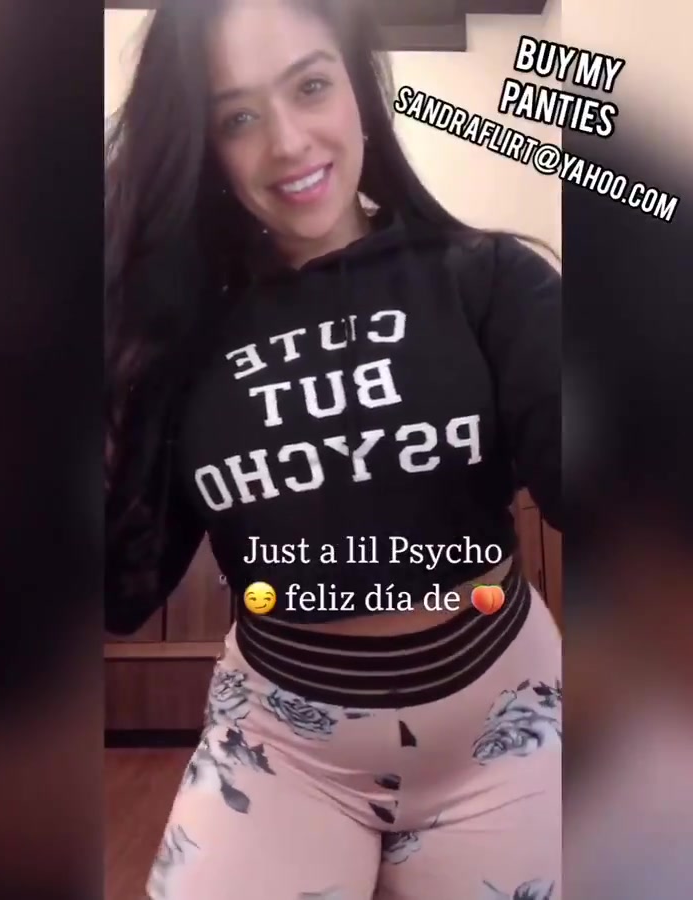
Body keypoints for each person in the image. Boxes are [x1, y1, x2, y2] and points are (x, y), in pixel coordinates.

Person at [105, 0, 562, 897]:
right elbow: (122, 594)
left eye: (310, 86)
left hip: (501, 731)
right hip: (280, 749)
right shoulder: (181, 337)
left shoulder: (492, 280)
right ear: (205, 146)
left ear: (358, 88)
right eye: (238, 117)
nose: (287, 142)